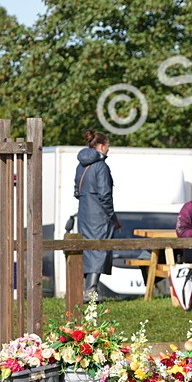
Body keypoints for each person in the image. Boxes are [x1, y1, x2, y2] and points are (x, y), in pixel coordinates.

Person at [74, 129, 119, 301]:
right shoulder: (101, 166)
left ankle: (87, 289)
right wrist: (111, 215)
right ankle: (91, 290)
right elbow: (105, 194)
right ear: (101, 146)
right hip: (99, 213)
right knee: (99, 248)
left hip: (84, 211)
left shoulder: (81, 165)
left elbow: (76, 190)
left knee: (87, 248)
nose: (108, 150)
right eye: (107, 146)